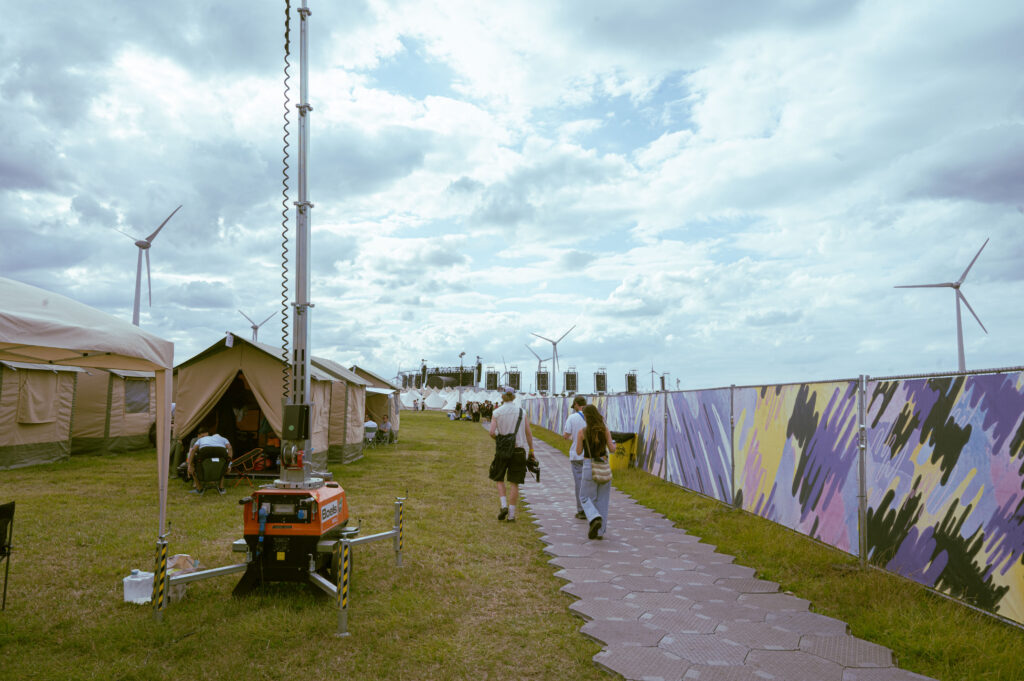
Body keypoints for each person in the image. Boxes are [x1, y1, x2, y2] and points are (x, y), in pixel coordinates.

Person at [488, 388, 535, 522]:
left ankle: (503, 506)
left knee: (499, 478)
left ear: (502, 397)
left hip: (503, 450)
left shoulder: (497, 412)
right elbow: (528, 434)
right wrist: (531, 451)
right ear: (514, 397)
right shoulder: (521, 412)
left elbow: (492, 432)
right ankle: (512, 515)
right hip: (518, 450)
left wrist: (501, 440)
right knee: (514, 482)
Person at [576, 404, 616, 539]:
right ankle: (599, 532)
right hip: (603, 466)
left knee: (584, 497)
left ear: (586, 417)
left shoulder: (582, 432)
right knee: (602, 500)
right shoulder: (605, 430)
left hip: (589, 466)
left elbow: (578, 451)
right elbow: (612, 449)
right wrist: (614, 444)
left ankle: (594, 517)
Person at [187, 422, 233, 495]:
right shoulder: (223, 439)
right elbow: (229, 448)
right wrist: (229, 464)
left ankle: (199, 488)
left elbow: (193, 450)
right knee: (224, 465)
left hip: (206, 450)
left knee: (193, 466)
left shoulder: (201, 439)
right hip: (221, 450)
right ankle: (221, 488)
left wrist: (190, 465)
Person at [562, 395, 588, 520]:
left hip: (577, 455)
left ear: (577, 404)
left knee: (579, 484)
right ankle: (593, 509)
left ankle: (581, 510)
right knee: (591, 484)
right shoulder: (594, 416)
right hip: (592, 455)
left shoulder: (572, 417)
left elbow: (566, 435)